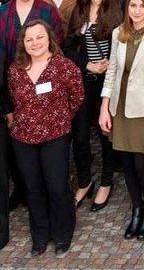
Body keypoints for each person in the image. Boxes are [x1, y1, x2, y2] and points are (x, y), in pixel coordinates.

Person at [99, 0, 144, 241]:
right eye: (132, 5)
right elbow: (112, 71)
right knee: (127, 164)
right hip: (120, 106)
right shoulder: (119, 32)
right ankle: (136, 209)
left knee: (141, 164)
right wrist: (104, 106)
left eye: (142, 6)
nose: (137, 11)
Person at [7, 20, 83, 255]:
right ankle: (40, 235)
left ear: (49, 38)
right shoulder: (15, 70)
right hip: (23, 138)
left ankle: (62, 233)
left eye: (39, 37)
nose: (34, 43)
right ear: (23, 43)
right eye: (29, 39)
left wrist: (58, 118)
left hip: (55, 136)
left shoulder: (64, 67)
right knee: (33, 188)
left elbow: (77, 97)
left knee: (58, 186)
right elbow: (12, 100)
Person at [63, 0, 122, 213]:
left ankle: (107, 181)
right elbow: (66, 48)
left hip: (110, 81)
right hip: (86, 80)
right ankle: (85, 179)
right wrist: (88, 64)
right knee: (80, 134)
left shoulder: (119, 8)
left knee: (106, 133)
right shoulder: (78, 11)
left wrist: (111, 63)